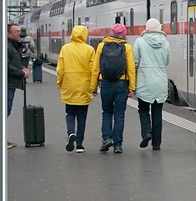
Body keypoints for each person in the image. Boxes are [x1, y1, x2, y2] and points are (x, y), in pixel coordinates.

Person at [91, 23, 136, 154]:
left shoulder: (101, 46)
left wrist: (93, 86)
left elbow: (96, 68)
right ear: (124, 35)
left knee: (106, 112)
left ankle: (106, 139)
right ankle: (117, 144)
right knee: (119, 114)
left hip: (105, 83)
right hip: (121, 84)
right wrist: (132, 87)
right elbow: (131, 68)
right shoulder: (126, 47)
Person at [133, 18, 171, 150]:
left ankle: (146, 132)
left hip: (144, 80)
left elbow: (135, 62)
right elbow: (167, 61)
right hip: (160, 80)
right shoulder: (165, 42)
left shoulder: (139, 41)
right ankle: (157, 144)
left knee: (143, 109)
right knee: (157, 112)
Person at [57, 25, 95, 152]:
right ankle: (79, 144)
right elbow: (93, 69)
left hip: (69, 84)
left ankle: (71, 133)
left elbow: (60, 69)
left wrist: (60, 82)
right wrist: (93, 86)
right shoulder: (89, 49)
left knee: (70, 113)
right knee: (82, 116)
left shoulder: (65, 49)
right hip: (84, 85)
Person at [7, 23, 30, 149]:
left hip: (11, 84)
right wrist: (21, 73)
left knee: (7, 111)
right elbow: (6, 66)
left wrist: (23, 68)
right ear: (8, 33)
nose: (19, 33)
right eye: (16, 31)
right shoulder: (7, 46)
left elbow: (14, 62)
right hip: (7, 84)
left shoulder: (13, 46)